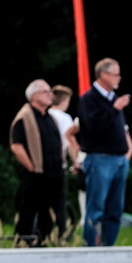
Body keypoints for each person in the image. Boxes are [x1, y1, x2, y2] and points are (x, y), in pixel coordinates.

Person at [77, 58, 132, 247]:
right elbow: (93, 128)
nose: (119, 78)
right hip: (100, 158)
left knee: (115, 209)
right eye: (115, 74)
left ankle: (109, 246)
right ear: (103, 75)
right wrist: (114, 109)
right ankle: (91, 247)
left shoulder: (112, 98)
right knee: (96, 208)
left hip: (119, 159)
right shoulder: (89, 99)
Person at [9, 79, 66, 246]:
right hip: (37, 174)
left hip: (55, 173)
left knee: (51, 213)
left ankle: (45, 242)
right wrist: (32, 167)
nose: (50, 95)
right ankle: (23, 242)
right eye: (45, 92)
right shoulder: (24, 117)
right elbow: (16, 146)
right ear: (33, 96)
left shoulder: (50, 118)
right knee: (30, 210)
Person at [49, 84, 83, 228]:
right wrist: (76, 161)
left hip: (42, 164)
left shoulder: (46, 114)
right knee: (60, 201)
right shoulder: (64, 117)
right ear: (64, 101)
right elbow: (69, 142)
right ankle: (62, 231)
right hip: (58, 164)